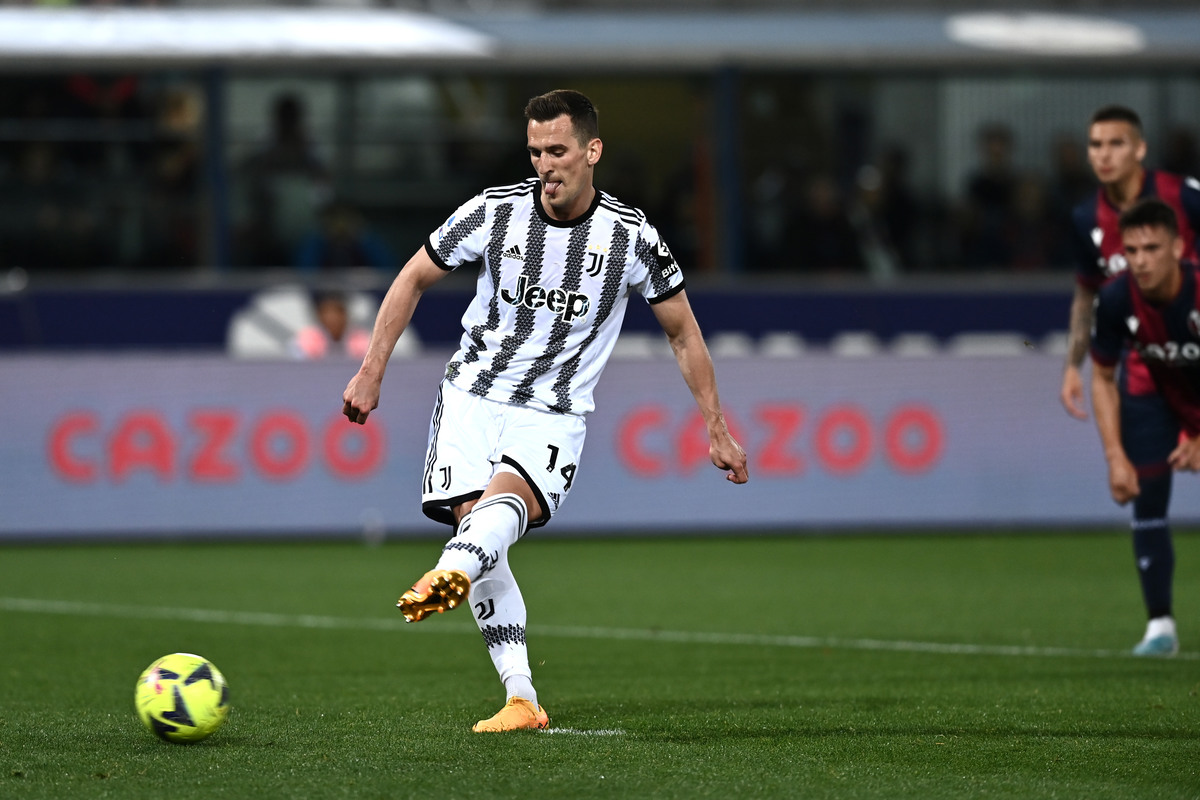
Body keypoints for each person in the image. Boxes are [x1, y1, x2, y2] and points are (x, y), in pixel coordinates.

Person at [340, 89, 749, 731]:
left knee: (498, 515)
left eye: (557, 150)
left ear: (593, 150)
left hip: (553, 411)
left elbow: (684, 333)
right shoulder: (493, 212)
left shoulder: (631, 236)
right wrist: (371, 369)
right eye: (534, 152)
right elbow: (413, 276)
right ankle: (521, 698)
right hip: (471, 396)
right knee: (482, 532)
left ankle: (448, 571)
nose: (545, 165)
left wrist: (717, 428)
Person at [1089, 198, 1200, 657]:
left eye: (1152, 248)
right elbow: (1101, 377)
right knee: (1147, 496)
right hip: (1153, 394)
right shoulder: (1116, 298)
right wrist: (1115, 455)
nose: (1141, 261)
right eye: (1132, 251)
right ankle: (1160, 627)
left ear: (1178, 248)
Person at [1060, 105, 1200, 421]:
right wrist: (1072, 366)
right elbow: (1087, 295)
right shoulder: (1085, 218)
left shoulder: (1180, 194)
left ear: (1140, 149)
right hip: (1144, 373)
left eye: (1116, 144)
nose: (1104, 155)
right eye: (1096, 145)